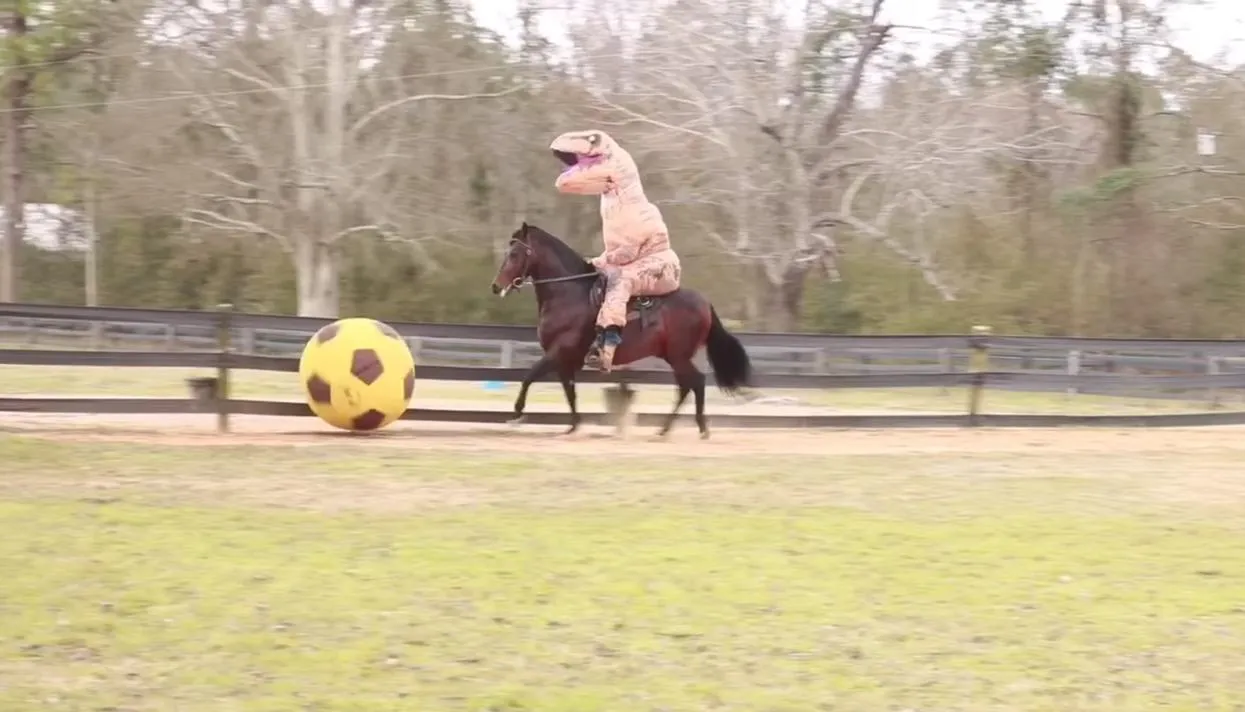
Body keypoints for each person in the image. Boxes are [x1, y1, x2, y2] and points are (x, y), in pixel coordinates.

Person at [548, 129, 682, 371]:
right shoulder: (610, 202)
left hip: (660, 264)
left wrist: (603, 260)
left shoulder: (633, 204)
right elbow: (565, 182)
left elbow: (627, 254)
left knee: (621, 280)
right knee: (594, 277)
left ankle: (607, 348)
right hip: (630, 261)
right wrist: (595, 263)